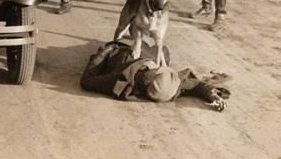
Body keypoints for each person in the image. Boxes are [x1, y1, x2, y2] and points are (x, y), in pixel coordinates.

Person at [80, 41, 231, 112]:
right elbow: (196, 85)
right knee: (164, 50)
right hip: (144, 50)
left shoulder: (120, 79)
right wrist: (213, 95)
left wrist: (105, 52)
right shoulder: (168, 86)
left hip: (124, 47)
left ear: (151, 73)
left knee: (161, 50)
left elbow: (87, 80)